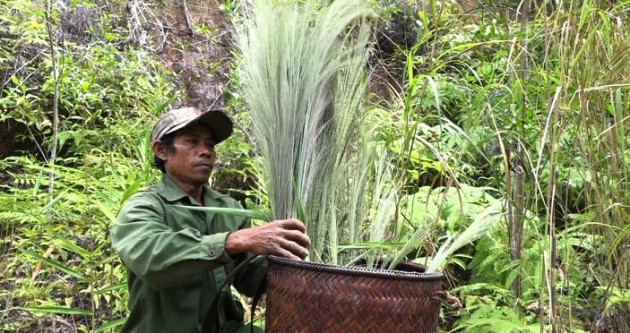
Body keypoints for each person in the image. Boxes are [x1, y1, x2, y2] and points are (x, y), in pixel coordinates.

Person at [111, 107, 311, 333]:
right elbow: (152, 260)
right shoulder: (145, 207)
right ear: (161, 150)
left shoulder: (227, 208)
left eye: (210, 144)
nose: (205, 151)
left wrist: (288, 259)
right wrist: (234, 241)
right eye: (192, 141)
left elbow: (247, 279)